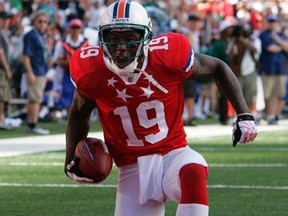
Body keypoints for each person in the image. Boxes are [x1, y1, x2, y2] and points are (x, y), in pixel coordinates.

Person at [64, 1, 258, 216]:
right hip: (131, 168)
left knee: (193, 170)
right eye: (114, 38)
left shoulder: (168, 55)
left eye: (130, 38)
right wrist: (70, 160)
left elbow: (218, 67)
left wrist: (244, 113)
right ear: (102, 39)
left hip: (173, 154)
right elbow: (78, 115)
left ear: (146, 38)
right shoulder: (91, 70)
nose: (121, 46)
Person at [53, 18, 89, 117]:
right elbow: (56, 60)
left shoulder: (85, 42)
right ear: (70, 28)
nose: (75, 30)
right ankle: (71, 116)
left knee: (82, 95)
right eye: (73, 27)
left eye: (77, 27)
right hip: (67, 73)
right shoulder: (63, 43)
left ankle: (79, 116)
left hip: (81, 73)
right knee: (68, 95)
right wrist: (66, 62)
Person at [22, 10, 50, 135]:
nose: (43, 24)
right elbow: (26, 56)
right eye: (40, 21)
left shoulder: (41, 36)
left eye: (45, 22)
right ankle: (33, 124)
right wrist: (29, 72)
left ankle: (32, 123)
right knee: (35, 99)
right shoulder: (31, 35)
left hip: (41, 70)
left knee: (36, 99)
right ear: (35, 22)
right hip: (35, 71)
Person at [258, 14, 288, 125]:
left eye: (274, 22)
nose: (273, 24)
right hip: (268, 68)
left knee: (279, 94)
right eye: (271, 22)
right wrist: (282, 45)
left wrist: (278, 41)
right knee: (269, 94)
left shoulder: (280, 35)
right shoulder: (264, 34)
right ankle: (270, 115)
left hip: (280, 68)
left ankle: (275, 115)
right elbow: (271, 48)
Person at [0, 11, 13, 130]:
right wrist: (7, 69)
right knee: (1, 96)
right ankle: (0, 119)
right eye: (4, 19)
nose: (6, 21)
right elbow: (0, 52)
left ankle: (2, 119)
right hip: (1, 69)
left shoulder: (4, 33)